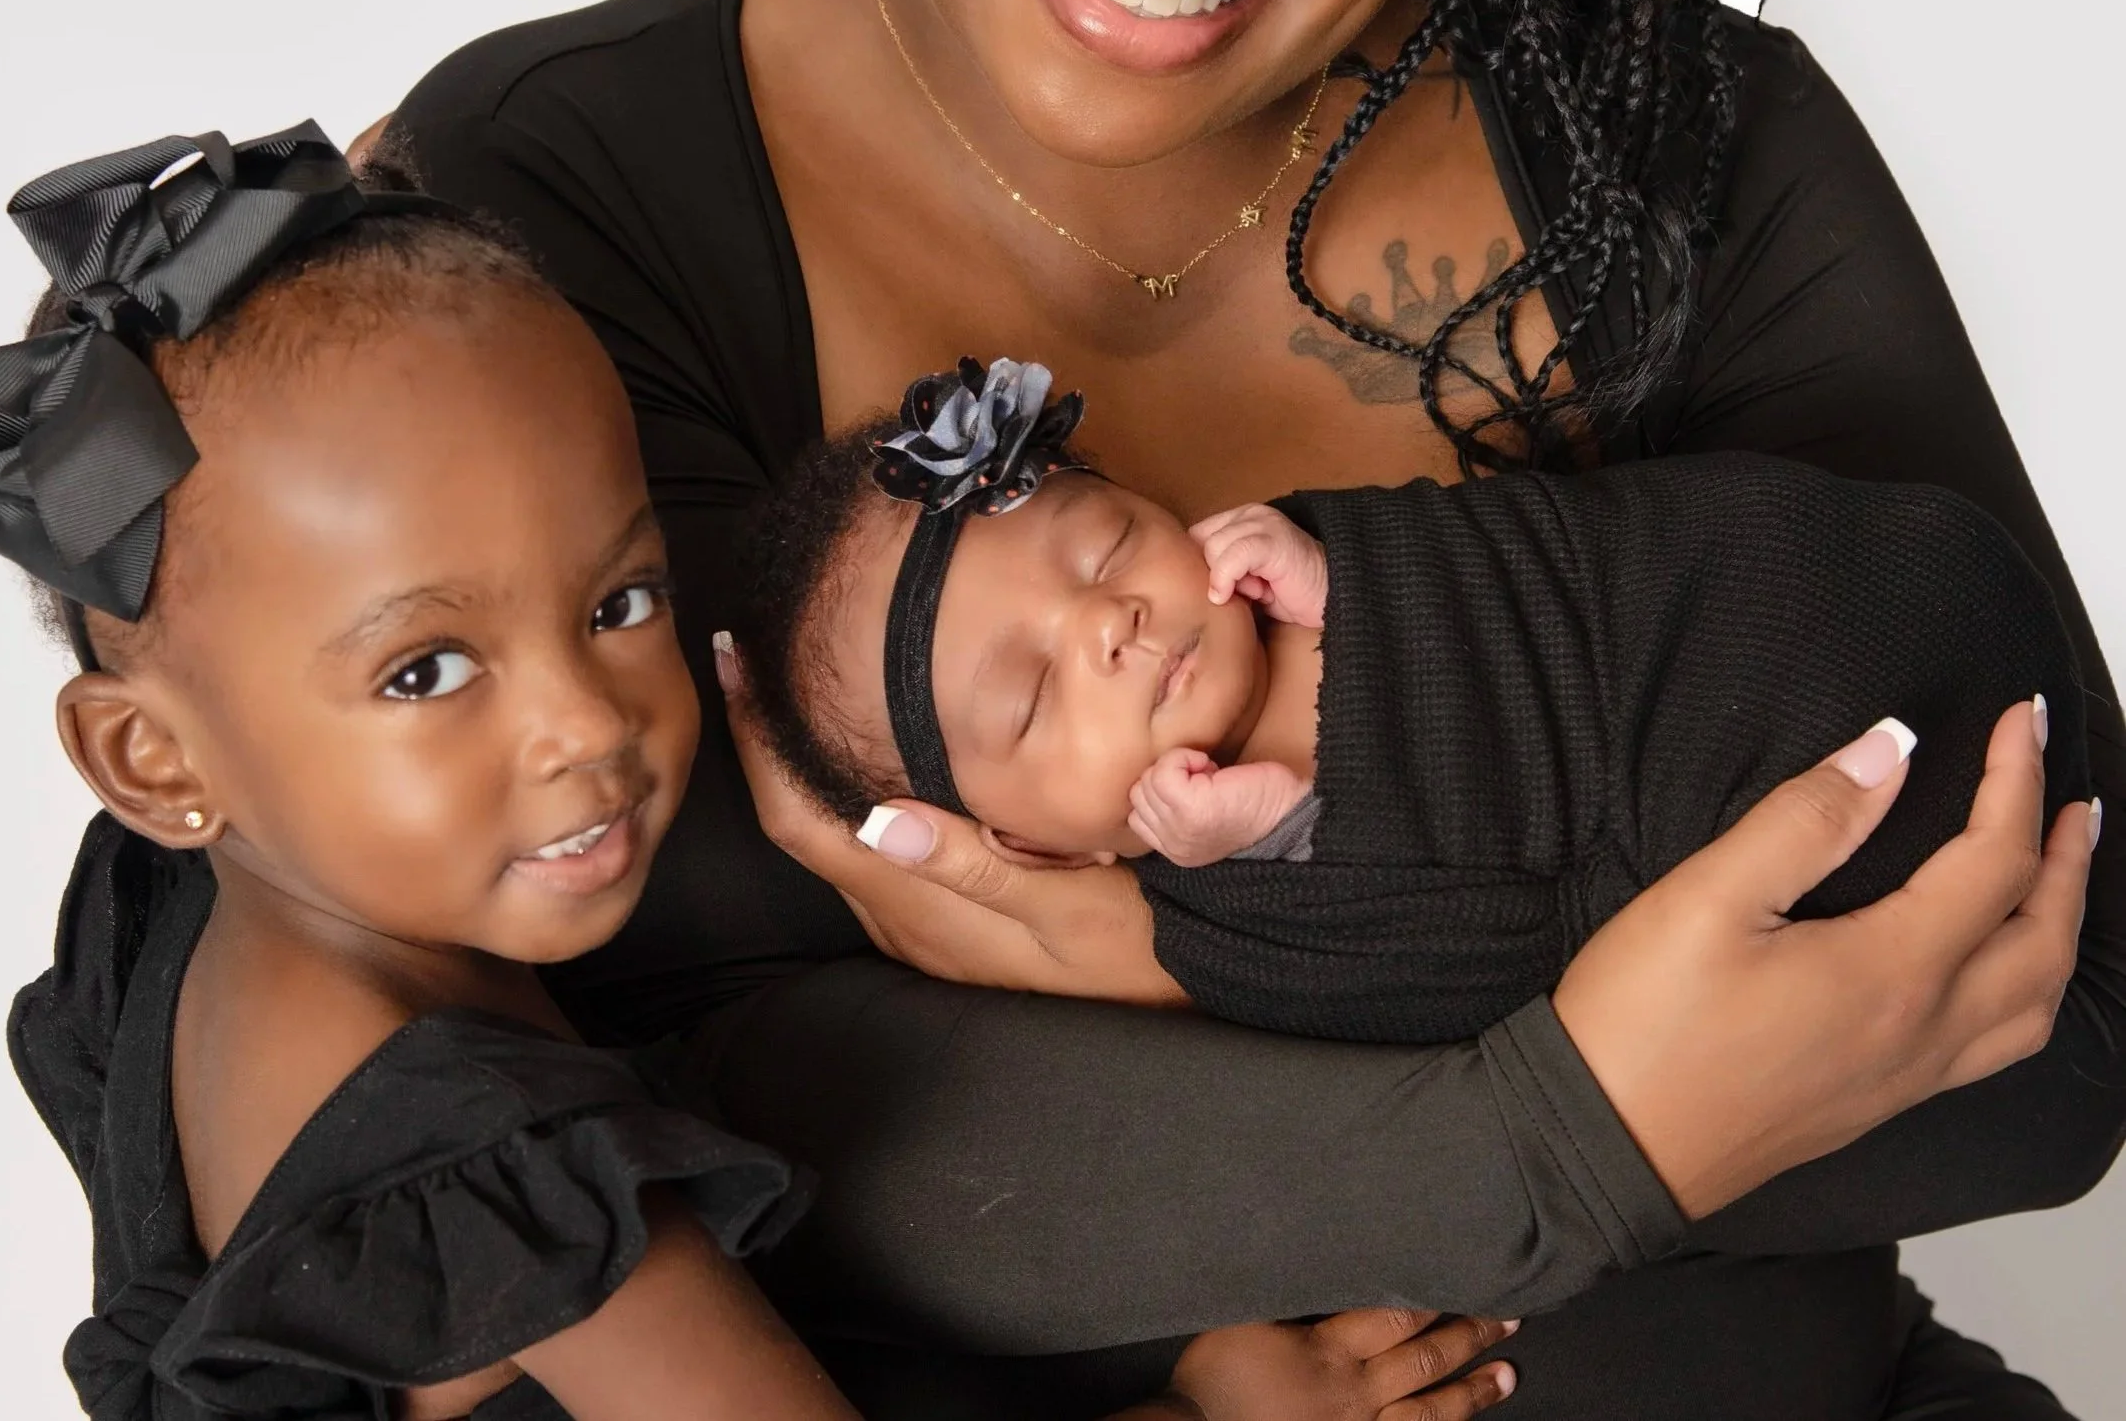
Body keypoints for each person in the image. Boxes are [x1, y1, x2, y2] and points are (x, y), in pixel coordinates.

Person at [383, 0, 2119, 1420]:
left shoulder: (1656, 150)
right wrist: (1580, 1115)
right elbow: (708, 1137)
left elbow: (2063, 1013)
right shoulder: (576, 202)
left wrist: (1156, 964)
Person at [0, 127, 1519, 1421]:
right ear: (151, 762)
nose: (587, 726)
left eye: (620, 605)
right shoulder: (494, 1180)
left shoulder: (226, 914)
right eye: (426, 671)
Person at [729, 355, 2091, 1041]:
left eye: (1103, 544)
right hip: (1802, 815)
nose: (1107, 624)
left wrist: (1362, 584)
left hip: (1843, 598)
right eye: (1027, 699)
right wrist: (1279, 848)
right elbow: (1478, 971)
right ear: (1031, 846)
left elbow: (1568, 570)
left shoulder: (1314, 556)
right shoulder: (1221, 907)